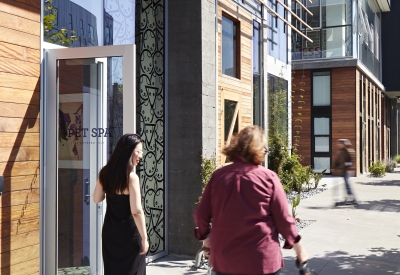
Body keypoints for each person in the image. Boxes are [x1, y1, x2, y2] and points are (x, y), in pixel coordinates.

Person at [193, 125, 309, 275]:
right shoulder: (269, 178)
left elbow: (201, 215)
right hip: (262, 261)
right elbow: (284, 220)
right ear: (258, 150)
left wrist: (207, 237)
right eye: (265, 150)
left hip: (225, 261)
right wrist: (300, 252)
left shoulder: (218, 177)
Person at [93, 133, 149, 275]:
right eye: (138, 151)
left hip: (110, 234)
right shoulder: (131, 178)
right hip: (130, 235)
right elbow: (136, 211)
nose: (140, 156)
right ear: (128, 151)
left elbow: (96, 198)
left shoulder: (104, 173)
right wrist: (144, 237)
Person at [333, 139, 357, 205]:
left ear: (343, 144)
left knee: (347, 185)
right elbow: (338, 160)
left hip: (347, 171)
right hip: (343, 170)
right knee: (346, 185)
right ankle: (349, 198)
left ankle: (353, 199)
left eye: (339, 143)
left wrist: (348, 169)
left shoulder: (349, 151)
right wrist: (335, 167)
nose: (338, 145)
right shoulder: (341, 151)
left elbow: (350, 162)